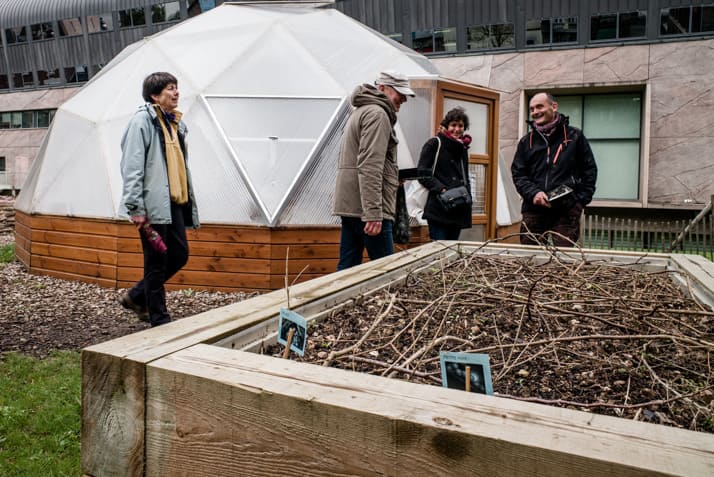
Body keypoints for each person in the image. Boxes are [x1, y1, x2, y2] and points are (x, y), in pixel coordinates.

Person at [118, 72, 199, 327]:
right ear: (155, 95)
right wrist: (135, 208)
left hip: (173, 203)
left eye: (176, 88)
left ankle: (137, 296)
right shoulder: (142, 122)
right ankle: (159, 318)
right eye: (170, 89)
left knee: (179, 255)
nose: (176, 93)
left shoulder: (175, 124)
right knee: (156, 263)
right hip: (152, 206)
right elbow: (132, 168)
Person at [333, 70, 415, 270]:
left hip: (352, 205)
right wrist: (373, 213)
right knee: (387, 271)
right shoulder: (378, 114)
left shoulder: (362, 111)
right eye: (399, 92)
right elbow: (370, 164)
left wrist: (392, 178)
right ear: (382, 88)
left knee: (347, 269)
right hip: (367, 209)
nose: (403, 99)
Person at [511, 92, 597, 247]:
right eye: (532, 109)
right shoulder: (526, 141)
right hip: (533, 210)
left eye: (539, 106)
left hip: (566, 211)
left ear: (554, 106)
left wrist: (579, 202)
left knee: (563, 260)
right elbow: (518, 174)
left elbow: (589, 170)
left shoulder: (574, 136)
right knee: (529, 259)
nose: (535, 112)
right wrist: (534, 193)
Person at [417, 107, 473, 240]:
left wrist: (468, 195)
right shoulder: (434, 144)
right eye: (453, 125)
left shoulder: (462, 148)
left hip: (458, 208)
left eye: (461, 126)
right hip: (439, 208)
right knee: (440, 252)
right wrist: (441, 189)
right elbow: (422, 173)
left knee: (452, 253)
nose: (457, 129)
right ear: (446, 126)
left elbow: (465, 176)